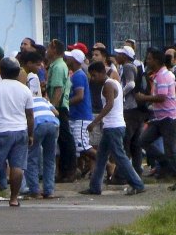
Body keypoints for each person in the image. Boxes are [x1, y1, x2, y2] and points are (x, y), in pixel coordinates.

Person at [81, 61, 145, 196]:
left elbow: (109, 105)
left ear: (102, 72)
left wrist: (95, 122)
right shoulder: (114, 82)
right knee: (101, 157)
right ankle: (95, 187)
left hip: (113, 127)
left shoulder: (108, 85)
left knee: (120, 157)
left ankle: (137, 184)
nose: (92, 79)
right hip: (113, 126)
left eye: (94, 75)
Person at [0, 57, 34, 208]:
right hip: (20, 131)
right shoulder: (25, 90)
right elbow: (30, 115)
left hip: (0, 131)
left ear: (1, 72)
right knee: (17, 166)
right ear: (17, 73)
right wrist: (30, 134)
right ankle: (14, 198)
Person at [135, 48, 176, 181]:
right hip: (159, 118)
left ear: (157, 61)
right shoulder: (159, 74)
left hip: (167, 118)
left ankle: (171, 172)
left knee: (170, 149)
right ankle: (166, 165)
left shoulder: (163, 75)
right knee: (143, 140)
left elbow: (162, 97)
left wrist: (143, 98)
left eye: (149, 58)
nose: (147, 61)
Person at [45, 39, 76, 181]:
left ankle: (68, 170)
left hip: (59, 107)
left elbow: (58, 89)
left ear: (54, 49)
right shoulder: (56, 65)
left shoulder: (58, 66)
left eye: (49, 48)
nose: (46, 50)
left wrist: (53, 107)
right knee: (63, 139)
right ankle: (65, 170)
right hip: (59, 106)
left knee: (64, 138)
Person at [114, 45, 145, 180]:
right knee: (135, 143)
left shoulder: (127, 67)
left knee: (126, 142)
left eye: (120, 54)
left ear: (125, 56)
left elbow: (131, 84)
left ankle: (123, 175)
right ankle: (136, 171)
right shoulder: (133, 66)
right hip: (136, 110)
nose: (117, 56)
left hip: (130, 109)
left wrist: (120, 94)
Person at [64, 48, 96, 176]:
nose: (67, 59)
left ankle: (107, 164)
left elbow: (79, 96)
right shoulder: (76, 74)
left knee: (82, 145)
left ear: (75, 61)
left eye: (70, 58)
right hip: (76, 116)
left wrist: (65, 104)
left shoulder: (78, 75)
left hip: (81, 116)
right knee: (78, 145)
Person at [23, 92, 60, 199]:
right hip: (53, 124)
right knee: (49, 159)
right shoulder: (43, 99)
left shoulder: (26, 100)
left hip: (38, 124)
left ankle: (34, 190)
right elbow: (56, 113)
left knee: (32, 158)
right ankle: (49, 190)